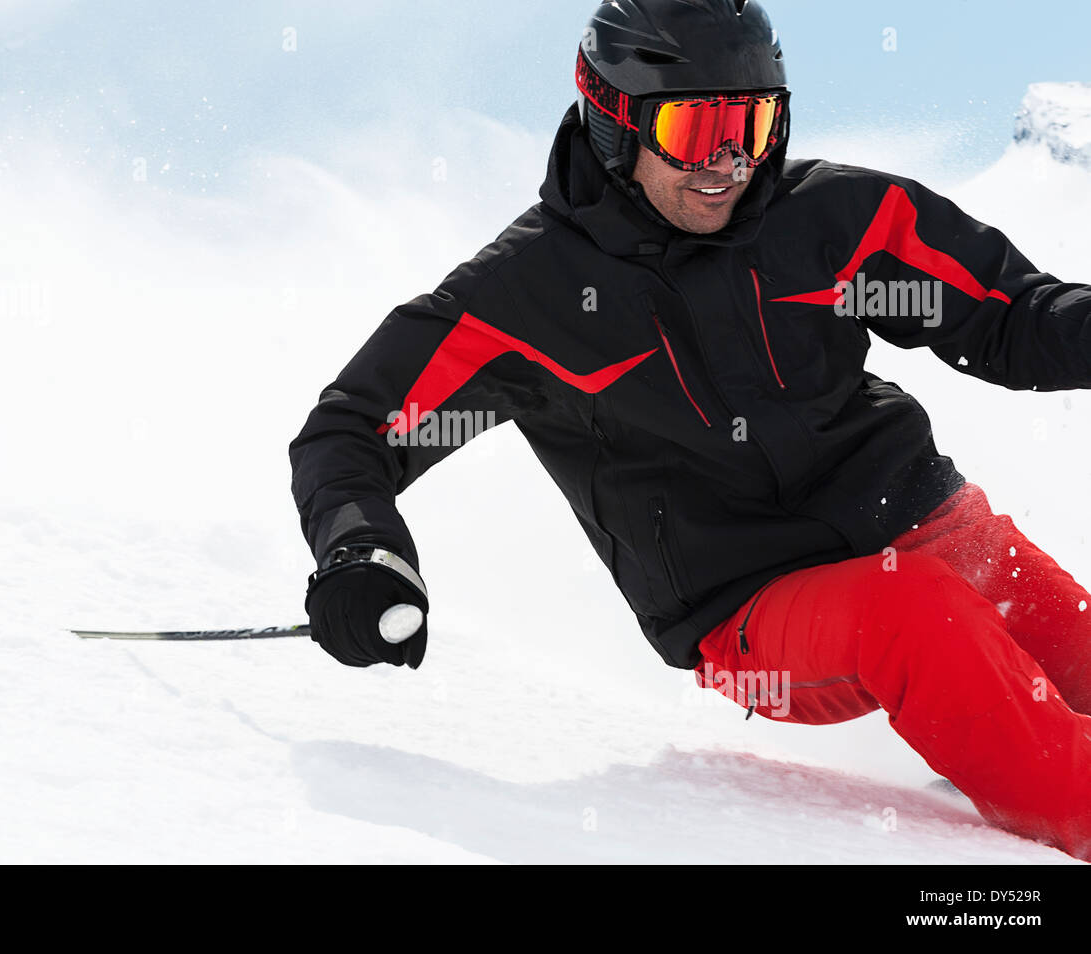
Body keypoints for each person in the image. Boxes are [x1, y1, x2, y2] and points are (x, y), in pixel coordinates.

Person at [288, 0, 1091, 861]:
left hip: (929, 528)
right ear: (613, 119)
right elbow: (354, 430)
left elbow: (1013, 318)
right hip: (749, 605)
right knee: (920, 616)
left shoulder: (833, 219)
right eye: (695, 123)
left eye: (751, 121)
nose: (728, 159)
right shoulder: (525, 300)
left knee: (1056, 636)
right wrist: (361, 551)